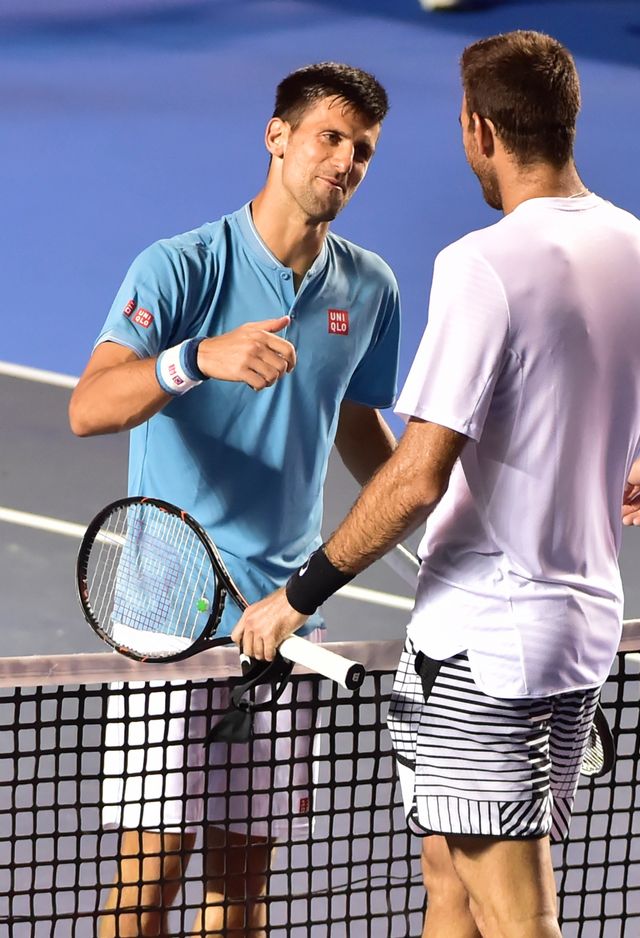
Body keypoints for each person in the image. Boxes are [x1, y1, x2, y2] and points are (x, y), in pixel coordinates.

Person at [233, 30, 640, 938]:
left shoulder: (483, 265)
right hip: (576, 635)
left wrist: (297, 594)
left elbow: (418, 476)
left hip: (483, 653)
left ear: (479, 130)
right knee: (448, 881)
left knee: (516, 914)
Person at [68, 62, 400, 938]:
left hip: (284, 617)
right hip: (167, 620)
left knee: (242, 888)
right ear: (277, 137)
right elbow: (87, 407)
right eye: (330, 138)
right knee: (150, 879)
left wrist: (414, 510)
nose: (346, 162)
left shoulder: (369, 289)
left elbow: (352, 419)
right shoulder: (181, 267)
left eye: (362, 150)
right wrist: (193, 359)